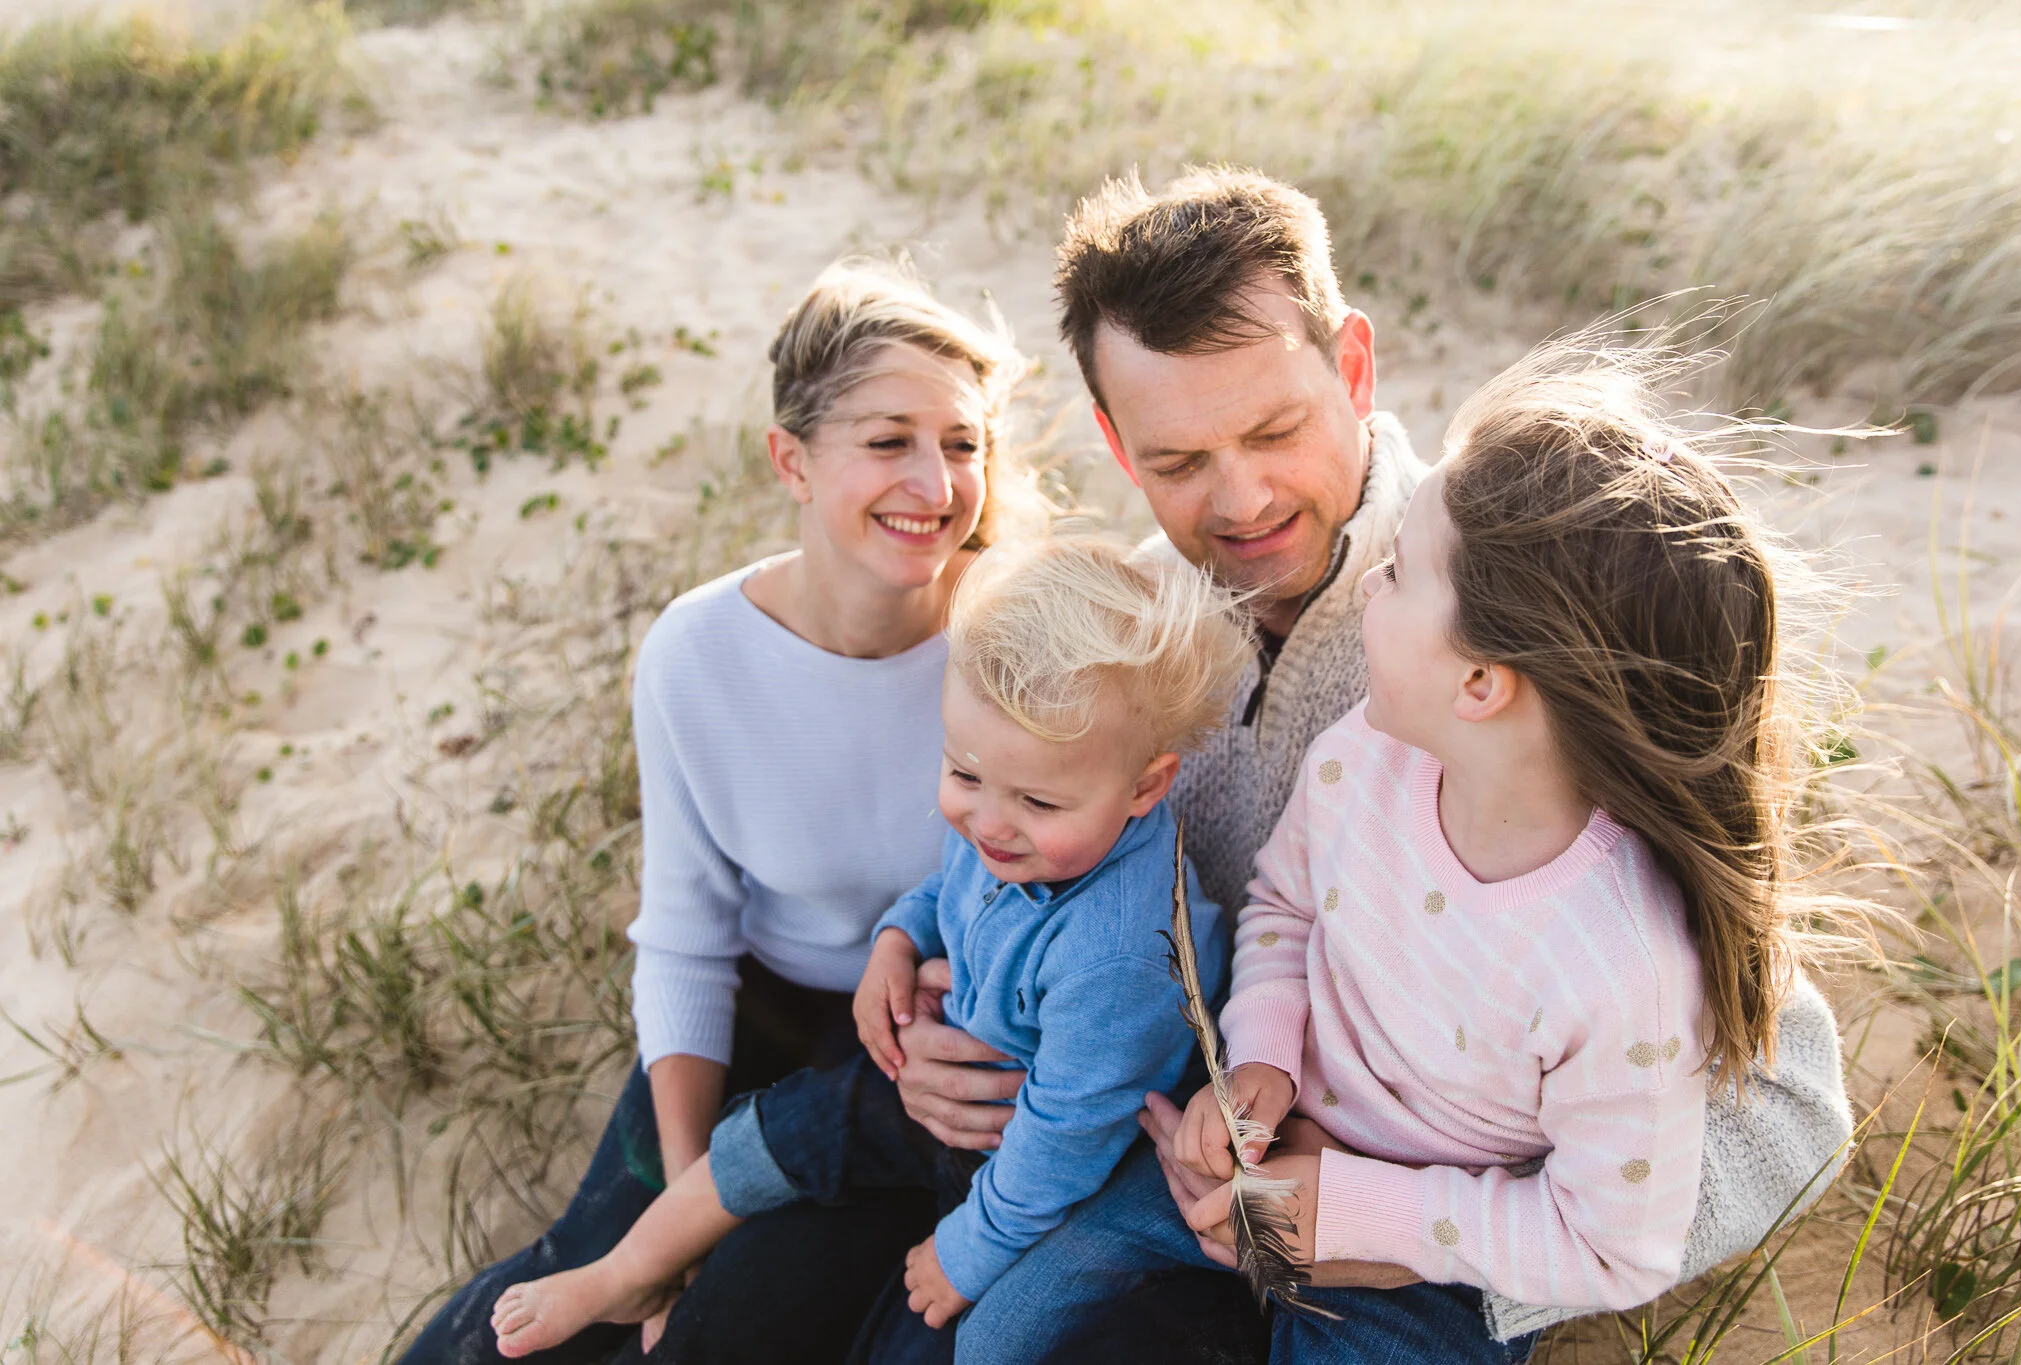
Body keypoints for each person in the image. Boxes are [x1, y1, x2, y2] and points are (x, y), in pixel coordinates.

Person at [871, 168, 1854, 1363]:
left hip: (1417, 1245)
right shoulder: (1118, 641)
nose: (1238, 500)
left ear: (1350, 367)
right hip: (1179, 1157)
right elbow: (1058, 864)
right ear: (1113, 444)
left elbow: (1782, 1110)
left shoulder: (1522, 625)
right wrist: (948, 1001)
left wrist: (1387, 1229)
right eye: (1176, 459)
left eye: (1275, 430)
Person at [395, 259, 1031, 1365]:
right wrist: (686, 1195)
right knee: (577, 1282)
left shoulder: (1013, 647)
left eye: (962, 444)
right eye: (887, 442)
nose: (934, 483)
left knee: (728, 1324)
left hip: (914, 1053)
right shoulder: (698, 652)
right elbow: (687, 938)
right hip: (760, 1014)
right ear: (790, 459)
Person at [485, 537, 1244, 1358]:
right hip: (951, 1080)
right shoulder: (1017, 825)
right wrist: (895, 938)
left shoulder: (1123, 952)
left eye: (1035, 800)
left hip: (1027, 1160)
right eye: (963, 775)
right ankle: (630, 1266)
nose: (988, 822)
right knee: (783, 1127)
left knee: (915, 1320)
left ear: (1145, 784)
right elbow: (946, 888)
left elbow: (1067, 1140)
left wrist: (970, 1249)